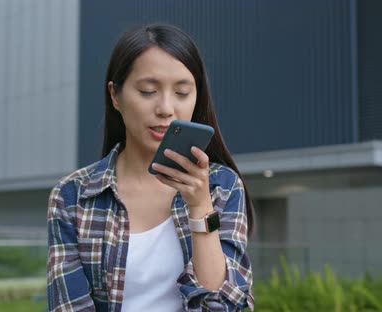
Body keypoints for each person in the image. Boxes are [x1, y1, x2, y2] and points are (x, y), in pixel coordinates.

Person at [47, 23, 255, 312]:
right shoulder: (73, 195)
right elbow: (68, 306)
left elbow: (224, 307)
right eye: (147, 91)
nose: (166, 108)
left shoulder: (223, 186)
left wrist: (200, 208)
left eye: (182, 93)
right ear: (115, 96)